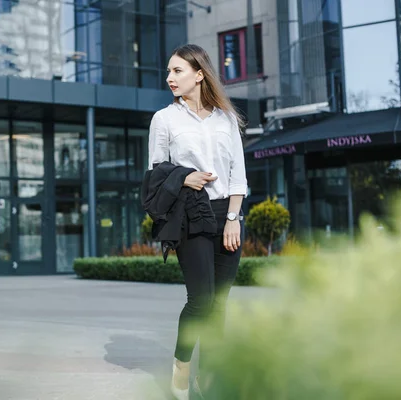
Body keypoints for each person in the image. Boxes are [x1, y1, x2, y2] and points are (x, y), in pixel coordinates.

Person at [146, 44, 247, 399]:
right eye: (169, 72)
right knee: (201, 300)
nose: (170, 78)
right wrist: (184, 177)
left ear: (199, 74)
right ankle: (181, 370)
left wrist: (234, 217)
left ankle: (211, 378)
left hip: (226, 215)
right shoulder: (164, 119)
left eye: (178, 71)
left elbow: (238, 174)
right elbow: (155, 174)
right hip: (190, 215)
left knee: (219, 303)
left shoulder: (227, 119)